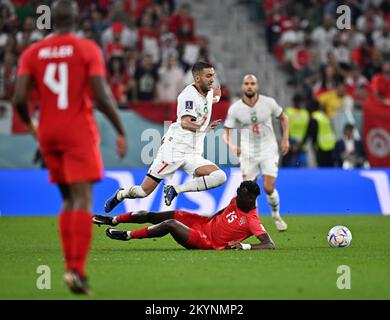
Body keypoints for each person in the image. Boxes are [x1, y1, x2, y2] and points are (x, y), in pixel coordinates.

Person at [13, 0, 127, 295]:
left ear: (52, 20)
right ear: (76, 19)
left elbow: (19, 100)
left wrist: (32, 126)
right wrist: (120, 129)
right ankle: (75, 269)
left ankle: (70, 267)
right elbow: (101, 96)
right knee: (83, 198)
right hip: (77, 130)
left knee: (66, 198)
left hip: (48, 132)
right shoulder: (87, 49)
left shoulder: (33, 53)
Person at [104, 61, 225, 212]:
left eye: (213, 75)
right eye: (208, 76)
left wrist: (217, 97)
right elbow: (186, 122)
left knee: (220, 176)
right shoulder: (188, 96)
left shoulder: (209, 92)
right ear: (197, 78)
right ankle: (120, 195)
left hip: (193, 153)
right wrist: (204, 128)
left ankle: (175, 189)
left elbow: (211, 99)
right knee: (143, 192)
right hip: (174, 150)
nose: (212, 79)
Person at [93, 181, 275, 251]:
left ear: (251, 198)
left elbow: (269, 244)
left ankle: (127, 235)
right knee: (154, 215)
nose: (236, 196)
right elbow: (225, 210)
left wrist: (244, 246)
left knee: (170, 224)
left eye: (241, 194)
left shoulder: (252, 219)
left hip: (206, 241)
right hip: (202, 223)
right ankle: (113, 219)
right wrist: (210, 218)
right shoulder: (238, 199)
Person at [223, 74, 289, 232]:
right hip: (248, 151)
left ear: (257, 86)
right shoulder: (235, 108)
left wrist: (285, 139)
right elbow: (226, 132)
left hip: (268, 148)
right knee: (249, 191)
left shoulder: (268, 103)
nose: (250, 86)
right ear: (242, 87)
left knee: (267, 187)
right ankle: (256, 222)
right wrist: (232, 146)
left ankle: (276, 215)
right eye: (247, 83)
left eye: (252, 83)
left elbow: (284, 118)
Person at [299, 99, 336, 167]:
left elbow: (312, 133)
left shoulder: (314, 117)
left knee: (322, 167)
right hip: (330, 144)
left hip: (321, 146)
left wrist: (311, 145)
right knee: (330, 166)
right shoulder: (323, 115)